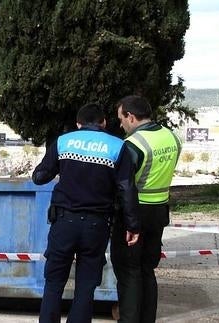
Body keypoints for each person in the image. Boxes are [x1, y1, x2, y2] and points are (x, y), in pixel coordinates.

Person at [32, 103, 140, 322]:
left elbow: (39, 177)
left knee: (53, 282)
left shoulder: (63, 142)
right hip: (96, 226)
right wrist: (132, 226)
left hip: (63, 223)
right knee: (86, 286)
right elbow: (126, 189)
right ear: (104, 123)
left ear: (78, 123)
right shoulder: (118, 147)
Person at [111, 95, 181, 322]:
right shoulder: (172, 137)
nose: (121, 124)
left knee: (129, 272)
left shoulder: (133, 145)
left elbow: (123, 184)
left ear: (130, 117)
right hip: (159, 212)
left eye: (121, 118)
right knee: (147, 270)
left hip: (134, 215)